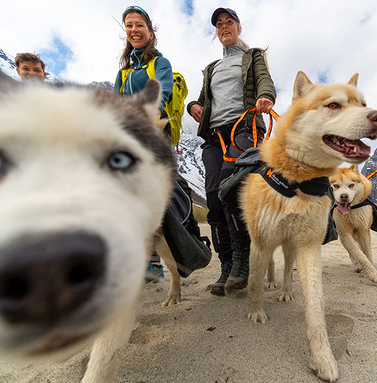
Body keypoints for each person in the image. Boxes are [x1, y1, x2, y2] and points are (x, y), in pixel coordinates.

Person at [187, 8, 276, 295]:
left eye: (229, 22)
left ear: (238, 28)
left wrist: (265, 96)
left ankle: (242, 261)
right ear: (216, 32)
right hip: (214, 135)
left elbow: (264, 80)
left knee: (231, 188)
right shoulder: (212, 68)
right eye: (219, 24)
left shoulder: (252, 57)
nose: (224, 27)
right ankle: (226, 266)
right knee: (214, 196)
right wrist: (193, 107)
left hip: (244, 127)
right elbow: (202, 99)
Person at [114, 5, 188, 283]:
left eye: (139, 25)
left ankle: (156, 260)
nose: (134, 30)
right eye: (129, 26)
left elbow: (164, 90)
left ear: (149, 31)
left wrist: (150, 113)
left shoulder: (160, 63)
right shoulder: (123, 73)